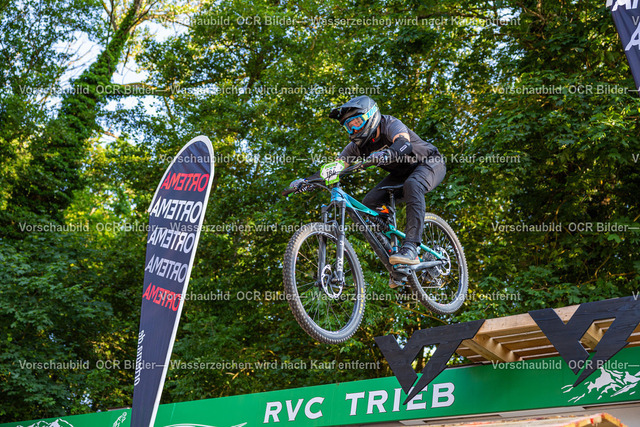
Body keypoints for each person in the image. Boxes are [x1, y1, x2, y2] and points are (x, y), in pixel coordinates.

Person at [291, 95, 446, 285]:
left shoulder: (389, 124)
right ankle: (397, 260)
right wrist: (306, 181)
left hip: (429, 163)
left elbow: (404, 144)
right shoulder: (356, 147)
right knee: (369, 204)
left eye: (357, 122)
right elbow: (335, 168)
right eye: (349, 126)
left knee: (413, 185)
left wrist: (386, 153)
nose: (354, 129)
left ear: (371, 116)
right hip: (400, 175)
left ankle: (411, 247)